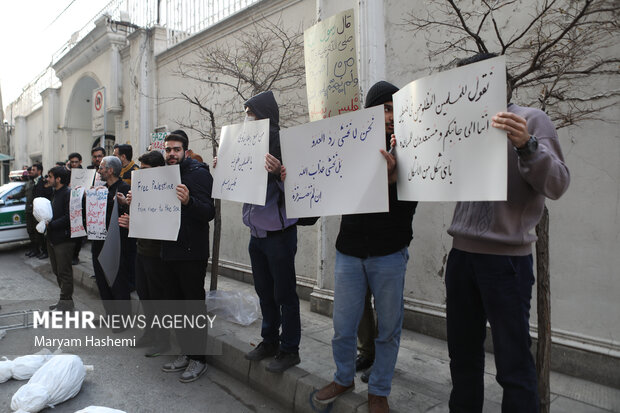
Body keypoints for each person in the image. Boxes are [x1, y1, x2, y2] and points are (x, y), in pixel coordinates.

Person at [444, 53, 570, 413]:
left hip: (506, 263)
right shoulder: (455, 124)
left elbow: (558, 184)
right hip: (462, 256)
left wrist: (527, 146)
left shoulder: (530, 119)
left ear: (496, 80)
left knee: (513, 365)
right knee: (462, 359)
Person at [313, 81, 418, 413]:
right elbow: (327, 185)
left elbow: (411, 207)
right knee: (343, 326)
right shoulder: (349, 144)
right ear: (371, 113)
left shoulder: (412, 148)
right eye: (384, 109)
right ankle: (343, 377)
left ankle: (379, 391)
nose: (389, 116)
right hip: (349, 252)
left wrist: (392, 182)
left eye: (394, 109)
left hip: (389, 253)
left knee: (388, 328)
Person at [224, 91, 301, 373]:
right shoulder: (245, 144)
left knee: (285, 295)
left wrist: (281, 171)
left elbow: (296, 190)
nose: (247, 118)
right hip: (256, 235)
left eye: (251, 112)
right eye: (246, 113)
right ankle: (269, 341)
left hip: (279, 235)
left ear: (264, 114)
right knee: (264, 292)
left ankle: (290, 348)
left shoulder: (283, 144)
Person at [160, 131, 215, 383]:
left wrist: (189, 201)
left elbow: (208, 212)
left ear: (185, 150)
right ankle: (185, 352)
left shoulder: (199, 174)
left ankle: (199, 359)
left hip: (192, 253)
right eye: (168, 149)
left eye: (176, 149)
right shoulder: (162, 175)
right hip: (169, 250)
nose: (171, 154)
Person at [118, 150, 170, 357]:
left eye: (146, 170)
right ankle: (150, 333)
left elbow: (163, 222)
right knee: (144, 295)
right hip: (141, 249)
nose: (142, 174)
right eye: (141, 170)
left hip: (157, 253)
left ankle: (162, 340)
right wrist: (128, 204)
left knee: (158, 299)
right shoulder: (140, 189)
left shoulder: (165, 190)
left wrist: (135, 222)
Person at [91, 156, 133, 325]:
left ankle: (122, 320)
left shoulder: (124, 189)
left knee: (117, 281)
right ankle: (110, 315)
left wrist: (122, 204)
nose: (98, 170)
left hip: (117, 243)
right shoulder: (99, 189)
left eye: (101, 167)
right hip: (98, 241)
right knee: (102, 280)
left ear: (110, 170)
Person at [45, 166, 74, 311]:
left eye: (50, 176)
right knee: (57, 271)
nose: (47, 179)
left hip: (64, 239)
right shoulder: (55, 193)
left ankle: (66, 302)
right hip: (53, 238)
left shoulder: (68, 194)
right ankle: (64, 301)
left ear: (58, 179)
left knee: (64, 272)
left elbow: (69, 217)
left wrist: (50, 224)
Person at [68, 152, 84, 265]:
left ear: (80, 162)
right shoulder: (67, 173)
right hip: (70, 206)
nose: (74, 164)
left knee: (78, 232)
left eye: (76, 162)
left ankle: (75, 255)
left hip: (81, 205)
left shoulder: (86, 173)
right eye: (72, 162)